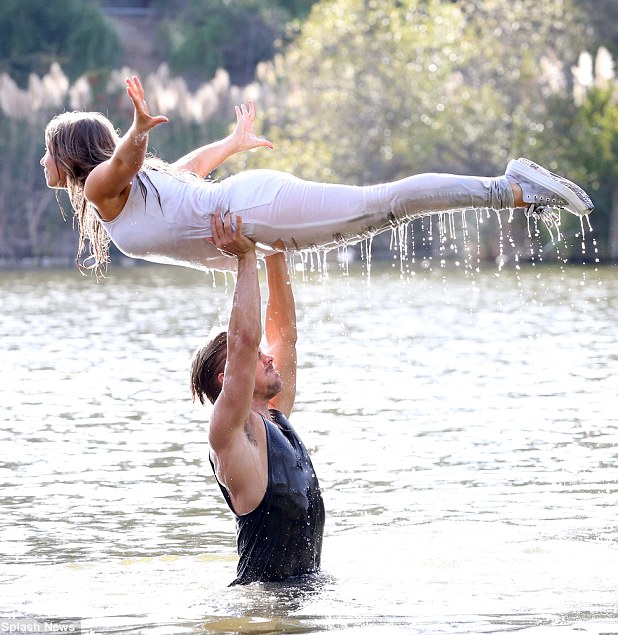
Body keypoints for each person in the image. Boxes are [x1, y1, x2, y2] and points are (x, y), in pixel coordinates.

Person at [42, 75, 594, 275]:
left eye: (47, 154)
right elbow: (186, 171)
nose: (43, 165)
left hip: (254, 210)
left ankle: (511, 188)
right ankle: (516, 193)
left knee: (386, 204)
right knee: (379, 213)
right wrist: (231, 144)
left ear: (70, 159)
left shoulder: (103, 184)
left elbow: (127, 159)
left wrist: (137, 130)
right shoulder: (128, 194)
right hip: (253, 212)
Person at [190, 210, 325, 585]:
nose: (266, 355)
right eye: (252, 359)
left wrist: (274, 249)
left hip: (305, 591)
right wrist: (244, 258)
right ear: (228, 378)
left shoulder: (274, 417)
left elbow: (284, 335)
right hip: (260, 603)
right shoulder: (230, 434)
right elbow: (245, 341)